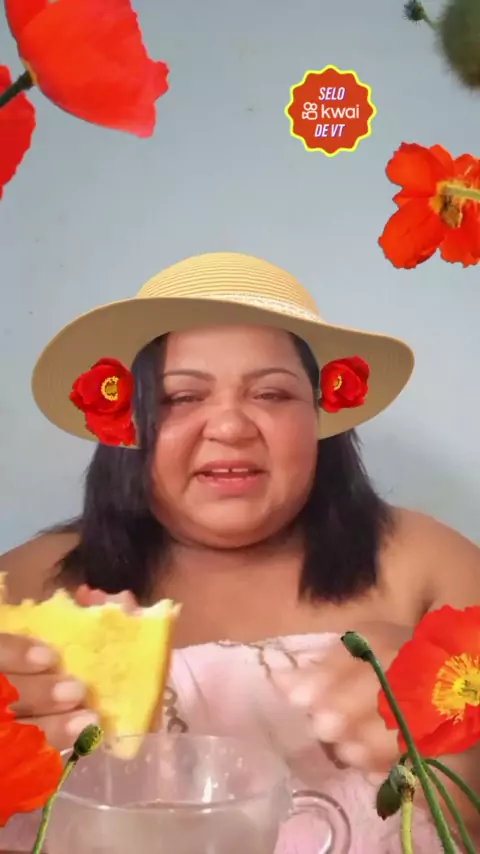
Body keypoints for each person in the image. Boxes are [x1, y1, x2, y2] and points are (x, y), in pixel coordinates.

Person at [1, 252, 479, 853]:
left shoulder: (431, 566)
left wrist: (457, 746)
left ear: (320, 418)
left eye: (272, 394)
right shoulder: (22, 586)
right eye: (180, 397)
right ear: (127, 425)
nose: (229, 427)